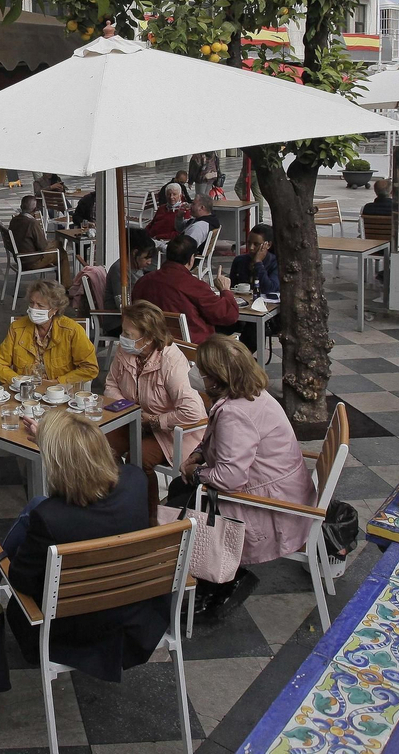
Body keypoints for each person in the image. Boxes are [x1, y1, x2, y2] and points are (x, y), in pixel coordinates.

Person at [0, 410, 170, 681]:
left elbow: (23, 581)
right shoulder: (135, 480)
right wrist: (47, 437)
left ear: (56, 466)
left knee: (31, 515)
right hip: (141, 620)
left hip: (76, 635)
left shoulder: (51, 518)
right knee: (35, 509)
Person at [186, 336, 318, 620]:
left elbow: (230, 477)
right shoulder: (251, 393)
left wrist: (197, 473)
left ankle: (217, 578)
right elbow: (227, 445)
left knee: (183, 504)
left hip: (270, 505)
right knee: (183, 492)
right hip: (284, 487)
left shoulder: (235, 412)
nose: (194, 373)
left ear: (216, 377)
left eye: (199, 369)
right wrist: (200, 453)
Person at [104, 301, 210, 518]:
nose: (122, 336)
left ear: (149, 337)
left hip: (171, 431)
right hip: (134, 420)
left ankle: (150, 517)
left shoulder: (170, 360)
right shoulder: (125, 350)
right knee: (100, 446)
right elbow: (111, 385)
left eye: (128, 333)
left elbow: (193, 411)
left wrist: (153, 420)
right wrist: (131, 411)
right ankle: (116, 503)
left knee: (138, 458)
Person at [131, 235, 239, 344]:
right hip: (191, 348)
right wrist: (225, 290)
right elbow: (229, 316)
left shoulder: (142, 282)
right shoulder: (194, 286)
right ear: (192, 258)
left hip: (152, 344)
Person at [0, 280, 99, 388]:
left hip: (61, 394)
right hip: (24, 393)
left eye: (40, 305)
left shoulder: (72, 330)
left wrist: (58, 382)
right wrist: (19, 381)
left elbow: (90, 368)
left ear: (55, 309)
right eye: (31, 303)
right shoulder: (17, 328)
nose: (34, 308)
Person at [103, 229, 157, 335]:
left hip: (135, 316)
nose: (149, 262)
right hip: (118, 322)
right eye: (146, 258)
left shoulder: (137, 268)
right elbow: (122, 304)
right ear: (135, 253)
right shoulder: (119, 270)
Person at [229, 224, 279, 297]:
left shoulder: (275, 263)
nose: (251, 248)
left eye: (256, 244)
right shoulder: (239, 260)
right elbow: (232, 287)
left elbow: (269, 289)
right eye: (249, 243)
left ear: (268, 245)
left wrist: (258, 263)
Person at [8, 196, 54, 270]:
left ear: (21, 206)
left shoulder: (14, 220)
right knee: (61, 253)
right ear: (35, 209)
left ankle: (59, 279)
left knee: (57, 246)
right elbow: (42, 246)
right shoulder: (32, 223)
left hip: (19, 258)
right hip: (32, 261)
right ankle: (63, 281)